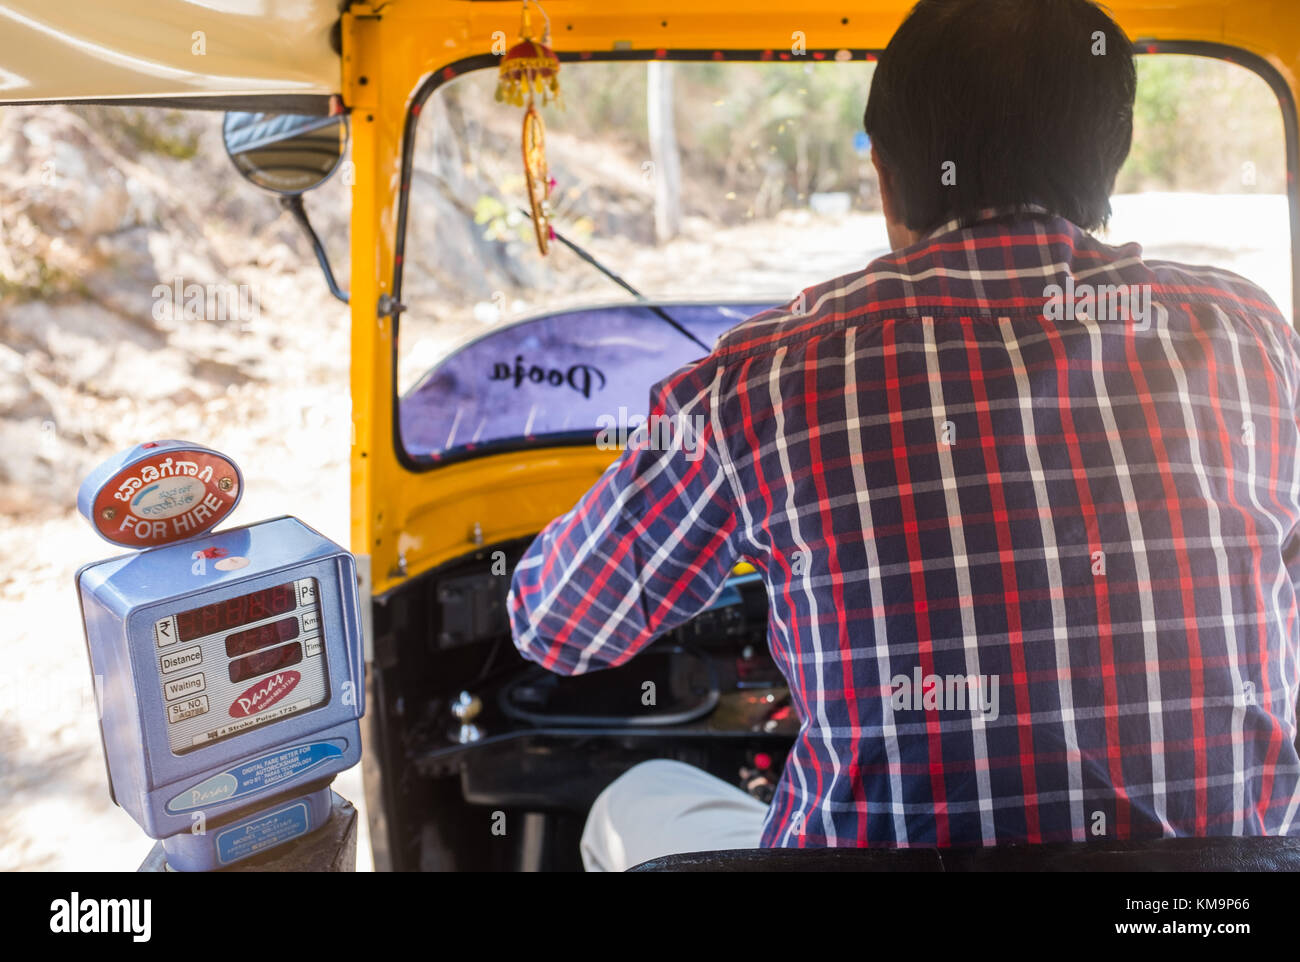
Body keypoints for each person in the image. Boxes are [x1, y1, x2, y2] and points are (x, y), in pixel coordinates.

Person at [509, 0, 1300, 871]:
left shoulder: (762, 380)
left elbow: (557, 627)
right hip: (1200, 912)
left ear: (885, 176)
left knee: (635, 802)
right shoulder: (1250, 335)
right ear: (1108, 157)